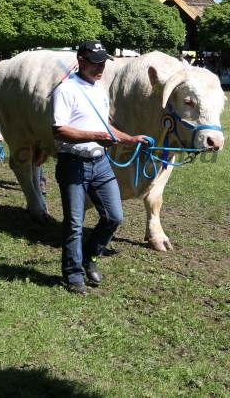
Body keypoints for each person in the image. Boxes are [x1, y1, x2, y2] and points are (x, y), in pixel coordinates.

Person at [51, 40, 149, 295]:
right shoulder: (65, 90)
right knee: (74, 223)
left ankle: (89, 256)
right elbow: (59, 131)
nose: (100, 67)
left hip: (100, 163)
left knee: (114, 216)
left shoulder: (99, 90)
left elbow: (105, 127)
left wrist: (130, 139)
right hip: (73, 164)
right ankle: (73, 276)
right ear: (81, 61)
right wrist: (95, 137)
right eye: (95, 62)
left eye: (103, 62)